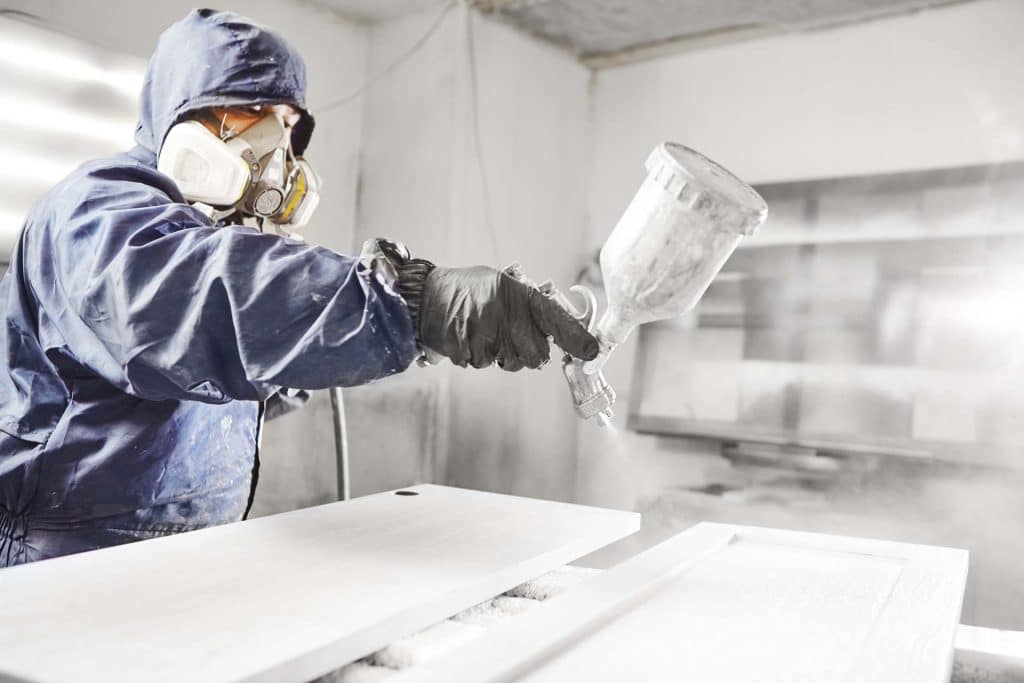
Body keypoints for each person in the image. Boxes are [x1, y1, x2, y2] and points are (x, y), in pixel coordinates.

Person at [0, 9, 597, 567]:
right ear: (186, 118)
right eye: (256, 112)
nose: (277, 148)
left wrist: (416, 337)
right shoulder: (98, 210)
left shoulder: (209, 236)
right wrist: (411, 303)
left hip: (175, 564)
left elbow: (236, 376)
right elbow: (197, 303)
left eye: (289, 126)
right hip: (56, 563)